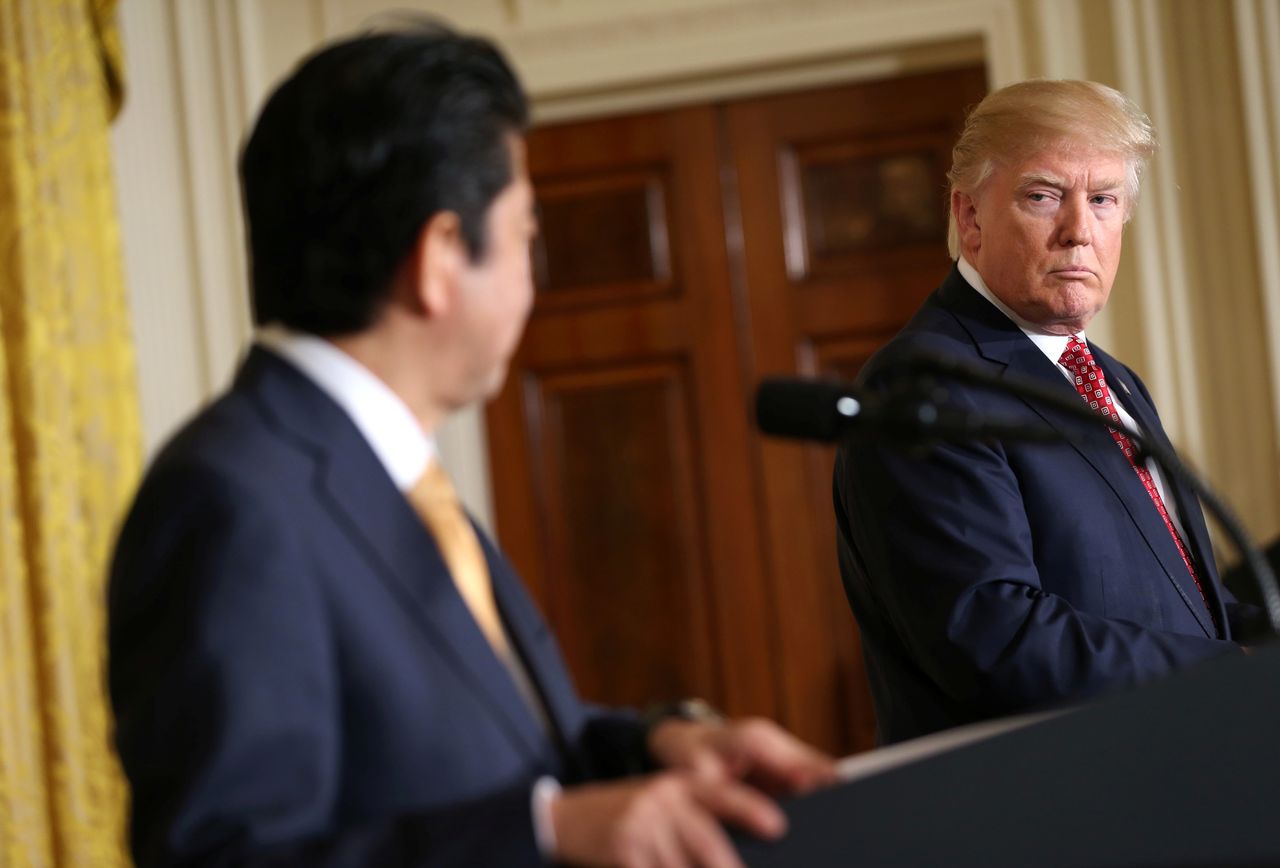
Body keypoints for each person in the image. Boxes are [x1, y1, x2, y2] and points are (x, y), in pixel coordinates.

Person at [108, 22, 834, 868]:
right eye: (526, 236)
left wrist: (662, 744)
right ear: (442, 256)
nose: (532, 278)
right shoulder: (230, 498)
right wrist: (546, 836)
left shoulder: (392, 470)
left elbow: (491, 740)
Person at [833, 79, 1263, 746]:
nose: (1078, 232)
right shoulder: (926, 384)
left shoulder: (1112, 380)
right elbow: (992, 633)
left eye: (1103, 200)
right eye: (1043, 197)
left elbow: (1188, 608)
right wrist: (1227, 671)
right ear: (970, 216)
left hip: (1174, 783)